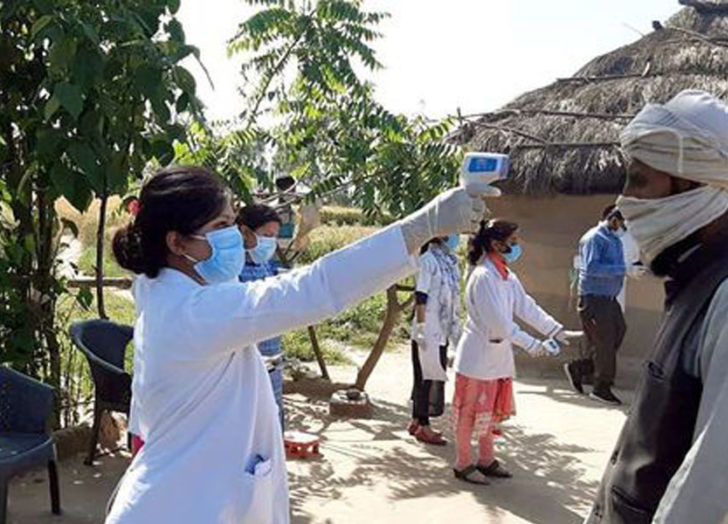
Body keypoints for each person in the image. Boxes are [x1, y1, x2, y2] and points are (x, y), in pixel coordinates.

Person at [106, 165, 497, 523]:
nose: (235, 235)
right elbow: (311, 288)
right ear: (177, 243)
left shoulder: (166, 291)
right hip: (179, 507)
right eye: (221, 224)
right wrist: (420, 227)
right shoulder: (194, 311)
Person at [586, 90, 728, 523]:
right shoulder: (698, 275)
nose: (625, 199)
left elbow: (714, 487)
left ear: (693, 184)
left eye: (639, 180)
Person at [451, 220, 582, 485]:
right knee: (468, 412)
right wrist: (534, 345)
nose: (517, 246)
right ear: (497, 244)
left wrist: (555, 331)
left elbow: (526, 307)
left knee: (489, 411)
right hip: (477, 356)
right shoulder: (483, 276)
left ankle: (486, 459)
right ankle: (462, 463)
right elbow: (499, 323)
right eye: (514, 241)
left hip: (497, 357)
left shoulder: (506, 276)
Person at [564, 206, 630, 405]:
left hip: (609, 299)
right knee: (605, 344)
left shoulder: (614, 239)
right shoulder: (595, 238)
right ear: (613, 219)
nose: (625, 227)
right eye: (623, 222)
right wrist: (624, 269)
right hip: (594, 299)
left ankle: (581, 368)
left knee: (618, 333)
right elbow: (592, 267)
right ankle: (601, 388)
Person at [409, 235, 461, 446]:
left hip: (442, 328)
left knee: (428, 375)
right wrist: (421, 327)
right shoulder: (428, 259)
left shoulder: (450, 261)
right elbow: (421, 295)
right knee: (426, 377)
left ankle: (415, 420)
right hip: (428, 328)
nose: (456, 237)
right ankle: (424, 426)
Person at [237, 203, 286, 429]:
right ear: (245, 232)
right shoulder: (230, 271)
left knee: (272, 415)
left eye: (274, 237)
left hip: (272, 357)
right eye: (266, 235)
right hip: (242, 363)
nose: (271, 242)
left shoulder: (267, 265)